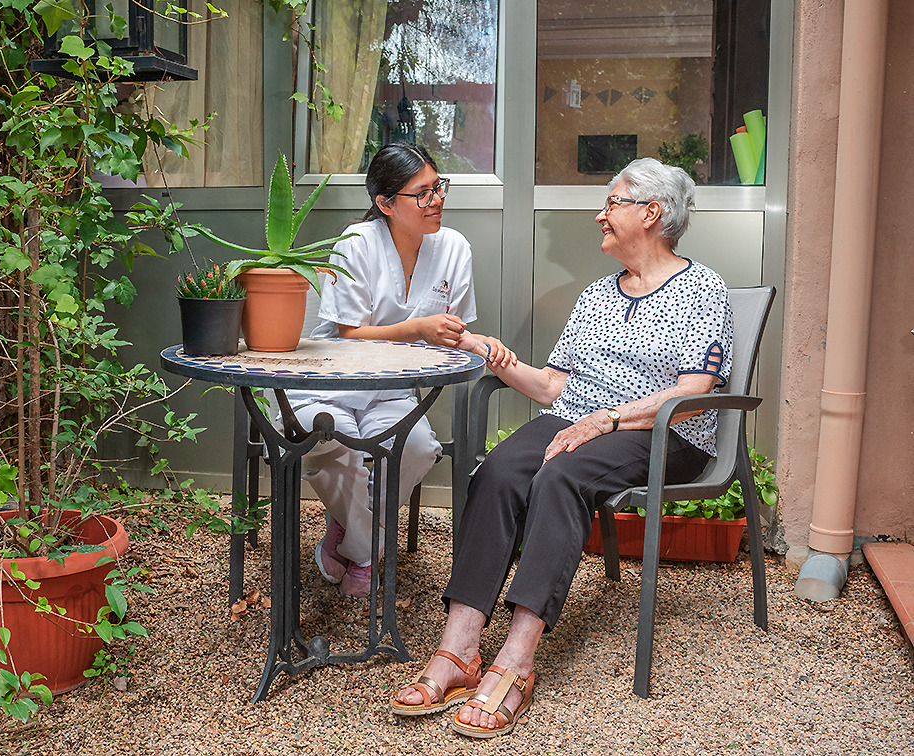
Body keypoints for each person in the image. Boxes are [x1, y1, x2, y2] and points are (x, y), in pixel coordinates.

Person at [389, 157, 733, 739]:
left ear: (651, 214)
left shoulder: (702, 289)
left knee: (560, 476)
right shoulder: (598, 294)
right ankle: (461, 645)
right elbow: (556, 385)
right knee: (499, 470)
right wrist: (496, 358)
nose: (600, 214)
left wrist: (606, 420)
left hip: (663, 432)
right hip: (577, 419)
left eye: (613, 203)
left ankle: (518, 659)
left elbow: (695, 391)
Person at [289, 144, 515, 599]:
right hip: (331, 379)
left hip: (394, 390)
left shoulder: (454, 247)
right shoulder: (355, 244)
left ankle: (349, 532)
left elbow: (454, 330)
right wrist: (417, 328)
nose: (437, 201)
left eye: (438, 188)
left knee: (418, 448)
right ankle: (369, 551)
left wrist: (482, 344)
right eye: (423, 194)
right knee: (327, 438)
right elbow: (349, 335)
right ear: (385, 204)